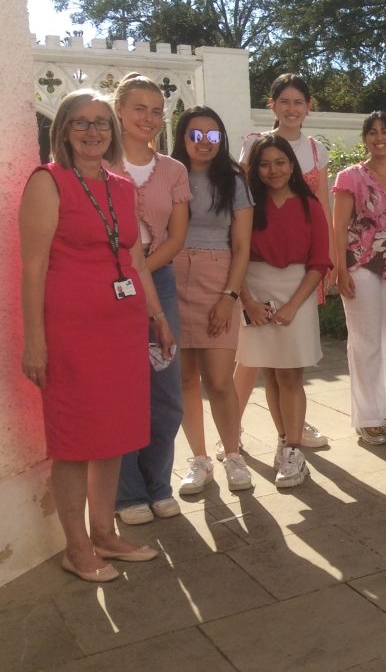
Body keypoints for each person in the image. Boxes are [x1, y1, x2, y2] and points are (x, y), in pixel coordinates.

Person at [20, 89, 174, 581]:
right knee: (74, 441)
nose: (92, 132)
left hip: (122, 329)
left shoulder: (121, 186)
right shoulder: (49, 182)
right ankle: (76, 546)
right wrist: (34, 340)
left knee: (114, 436)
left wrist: (159, 317)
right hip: (71, 332)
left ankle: (104, 533)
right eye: (81, 123)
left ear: (112, 132)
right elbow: (33, 267)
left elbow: (133, 260)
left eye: (101, 123)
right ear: (62, 129)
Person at [233, 74, 333, 452]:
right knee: (253, 360)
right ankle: (233, 428)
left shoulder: (314, 149)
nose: (292, 109)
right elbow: (243, 200)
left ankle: (291, 431)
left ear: (309, 106)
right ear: (271, 104)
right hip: (258, 264)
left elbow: (322, 203)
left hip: (301, 262)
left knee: (289, 359)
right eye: (284, 101)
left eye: (299, 102)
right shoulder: (255, 145)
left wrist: (331, 257)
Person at [110, 73, 190, 524]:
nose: (149, 118)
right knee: (122, 389)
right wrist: (127, 275)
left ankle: (159, 483)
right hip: (107, 286)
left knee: (165, 388)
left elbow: (176, 238)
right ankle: (127, 494)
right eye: (139, 108)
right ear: (118, 109)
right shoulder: (98, 162)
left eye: (157, 110)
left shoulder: (173, 170)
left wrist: (143, 272)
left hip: (156, 277)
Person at [173, 107, 255, 494]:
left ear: (221, 140)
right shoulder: (169, 174)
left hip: (217, 277)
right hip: (173, 277)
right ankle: (199, 459)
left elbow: (242, 246)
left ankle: (233, 455)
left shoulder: (233, 180)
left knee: (220, 379)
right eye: (195, 134)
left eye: (212, 135)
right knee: (185, 378)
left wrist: (230, 296)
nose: (204, 142)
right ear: (182, 137)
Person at [333, 111, 386, 445]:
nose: (380, 138)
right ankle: (366, 417)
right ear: (365, 138)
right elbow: (337, 227)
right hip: (360, 266)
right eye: (373, 132)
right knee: (364, 342)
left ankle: (381, 406)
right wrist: (338, 270)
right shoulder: (351, 177)